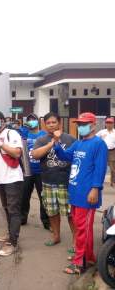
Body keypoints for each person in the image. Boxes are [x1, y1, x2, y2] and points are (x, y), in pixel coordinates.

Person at [53, 112, 108, 274]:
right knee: (81, 228)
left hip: (87, 194)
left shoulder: (99, 144)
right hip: (76, 192)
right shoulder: (79, 143)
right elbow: (64, 155)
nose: (80, 127)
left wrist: (95, 188)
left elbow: (100, 169)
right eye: (79, 124)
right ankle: (89, 258)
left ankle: (79, 263)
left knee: (83, 229)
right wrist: (56, 142)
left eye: (84, 124)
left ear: (93, 125)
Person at [32, 112, 76, 247]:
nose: (51, 125)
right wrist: (52, 143)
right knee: (52, 212)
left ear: (59, 123)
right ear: (45, 125)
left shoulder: (70, 139)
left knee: (71, 214)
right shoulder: (41, 140)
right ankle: (56, 236)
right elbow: (35, 155)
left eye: (54, 122)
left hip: (66, 182)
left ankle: (76, 241)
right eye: (48, 123)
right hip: (48, 182)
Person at [0, 110, 23, 256]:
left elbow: (16, 153)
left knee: (14, 210)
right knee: (7, 208)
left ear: (2, 120)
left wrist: (1, 142)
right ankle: (10, 234)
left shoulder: (11, 133)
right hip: (0, 178)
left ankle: (13, 243)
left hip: (12, 178)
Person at [19, 113, 50, 229]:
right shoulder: (24, 133)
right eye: (29, 120)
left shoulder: (43, 134)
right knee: (24, 196)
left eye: (34, 119)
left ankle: (46, 221)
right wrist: (22, 132)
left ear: (38, 121)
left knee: (43, 197)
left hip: (41, 171)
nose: (32, 121)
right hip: (27, 171)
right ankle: (23, 217)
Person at [96, 116, 115, 187]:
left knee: (113, 169)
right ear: (105, 124)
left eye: (110, 123)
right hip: (102, 151)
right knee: (101, 166)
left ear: (113, 124)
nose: (109, 124)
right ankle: (99, 181)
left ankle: (112, 181)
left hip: (112, 152)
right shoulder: (102, 132)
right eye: (107, 122)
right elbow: (95, 138)